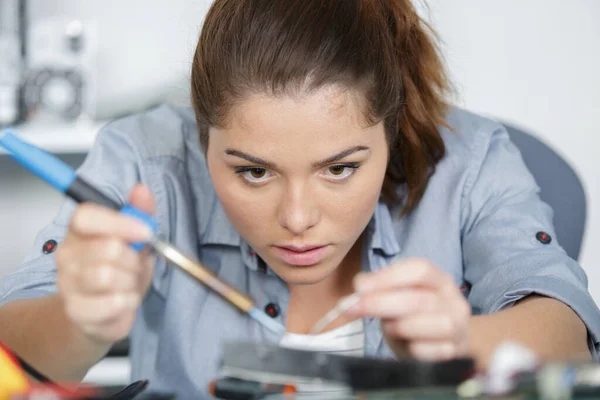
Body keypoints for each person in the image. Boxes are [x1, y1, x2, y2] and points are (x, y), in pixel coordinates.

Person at [0, 0, 599, 397]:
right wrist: (77, 321)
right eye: (254, 172)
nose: (297, 220)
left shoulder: (473, 161)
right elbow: (16, 349)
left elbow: (570, 335)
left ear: (389, 131)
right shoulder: (141, 161)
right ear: (202, 136)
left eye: (340, 168)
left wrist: (464, 341)